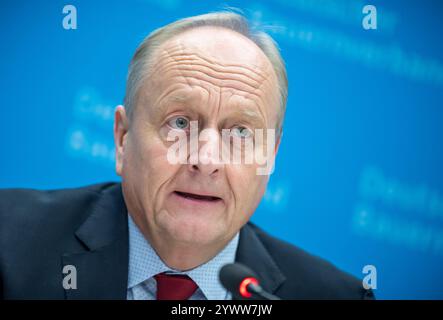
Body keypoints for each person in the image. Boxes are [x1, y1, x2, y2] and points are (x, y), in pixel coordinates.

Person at [0, 11, 374, 300]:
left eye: (240, 133)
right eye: (180, 123)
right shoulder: (9, 243)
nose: (206, 159)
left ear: (270, 156)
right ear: (122, 137)